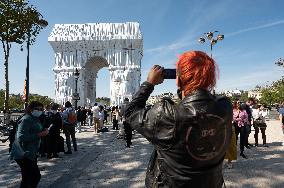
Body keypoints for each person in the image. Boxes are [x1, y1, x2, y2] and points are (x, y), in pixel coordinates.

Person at [125, 51, 232, 187]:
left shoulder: (167, 115)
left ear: (178, 79)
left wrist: (149, 83)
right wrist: (185, 86)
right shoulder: (225, 107)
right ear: (211, 78)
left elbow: (129, 112)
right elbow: (196, 104)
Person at [10, 101, 49, 188]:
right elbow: (21, 137)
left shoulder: (34, 118)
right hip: (23, 153)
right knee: (32, 177)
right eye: (37, 109)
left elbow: (35, 129)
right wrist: (40, 134)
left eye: (41, 109)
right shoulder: (26, 119)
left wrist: (43, 130)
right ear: (31, 109)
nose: (39, 111)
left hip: (31, 152)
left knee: (29, 177)